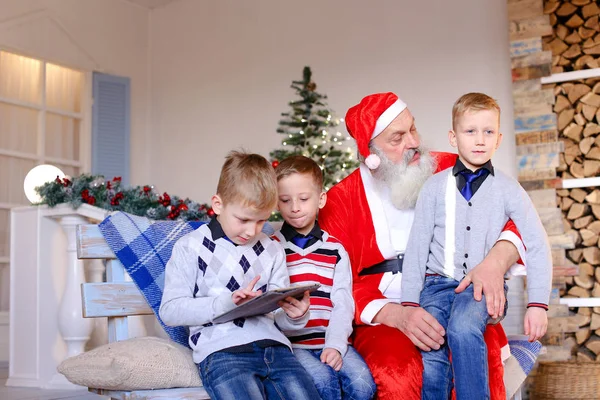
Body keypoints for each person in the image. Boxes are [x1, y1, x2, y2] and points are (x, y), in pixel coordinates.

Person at [318, 92, 529, 400]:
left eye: (413, 129)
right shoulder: (340, 200)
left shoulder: (450, 166)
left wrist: (495, 263)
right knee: (397, 370)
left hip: (456, 291)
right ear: (371, 153)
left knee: (473, 352)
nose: (413, 142)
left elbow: (515, 215)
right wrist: (395, 314)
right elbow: (336, 278)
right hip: (386, 307)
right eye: (397, 138)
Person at [400, 92, 551, 400]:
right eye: (471, 131)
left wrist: (537, 304)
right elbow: (417, 248)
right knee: (431, 351)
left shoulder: (509, 189)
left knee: (463, 326)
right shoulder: (433, 188)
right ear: (453, 137)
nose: (480, 140)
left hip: (481, 290)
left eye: (488, 131)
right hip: (435, 286)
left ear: (499, 138)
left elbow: (536, 243)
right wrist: (409, 304)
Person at [159, 151, 320, 400]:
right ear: (218, 205)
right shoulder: (190, 247)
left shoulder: (272, 248)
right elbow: (170, 310)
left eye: (261, 221)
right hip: (222, 351)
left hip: (275, 348)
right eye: (243, 219)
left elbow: (278, 316)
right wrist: (226, 302)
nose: (251, 231)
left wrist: (295, 316)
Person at [273, 155, 377, 400]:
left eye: (304, 199)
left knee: (364, 386)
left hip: (332, 339)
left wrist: (335, 345)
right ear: (277, 203)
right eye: (285, 200)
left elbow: (343, 303)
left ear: (321, 199)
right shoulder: (272, 247)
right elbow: (270, 306)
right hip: (293, 346)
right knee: (323, 383)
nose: (295, 207)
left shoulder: (335, 250)